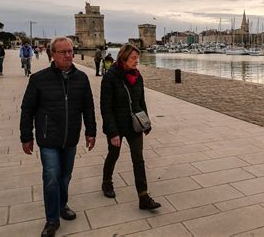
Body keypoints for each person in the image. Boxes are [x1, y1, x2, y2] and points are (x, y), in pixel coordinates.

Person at [20, 37, 97, 237]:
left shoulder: (81, 78)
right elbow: (27, 109)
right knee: (52, 177)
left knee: (65, 176)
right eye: (63, 52)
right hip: (48, 138)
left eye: (70, 51)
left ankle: (62, 205)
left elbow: (88, 107)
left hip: (71, 137)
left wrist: (91, 132)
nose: (68, 55)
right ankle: (52, 220)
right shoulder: (38, 79)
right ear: (52, 54)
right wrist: (26, 136)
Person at [100, 44, 161, 210]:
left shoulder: (137, 76)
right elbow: (105, 107)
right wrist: (112, 133)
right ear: (123, 58)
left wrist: (146, 122)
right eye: (133, 58)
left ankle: (144, 197)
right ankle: (107, 182)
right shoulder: (110, 77)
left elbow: (141, 101)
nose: (136, 61)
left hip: (134, 124)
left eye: (137, 58)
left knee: (138, 159)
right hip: (117, 125)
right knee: (113, 154)